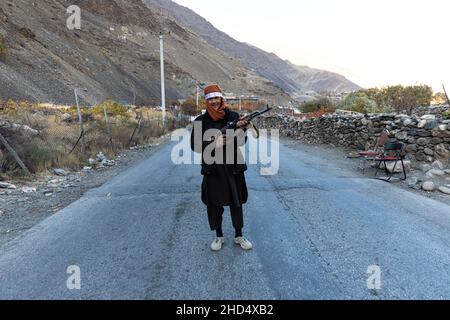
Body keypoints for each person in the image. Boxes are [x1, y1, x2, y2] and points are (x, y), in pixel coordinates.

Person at [190, 84, 253, 251]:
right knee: (214, 204)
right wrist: (214, 142)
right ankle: (218, 236)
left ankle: (239, 235)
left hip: (233, 167)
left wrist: (243, 129)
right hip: (213, 169)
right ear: (206, 101)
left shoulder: (233, 116)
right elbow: (195, 146)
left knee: (236, 202)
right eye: (210, 99)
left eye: (216, 98)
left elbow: (241, 141)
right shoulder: (200, 121)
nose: (213, 101)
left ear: (221, 98)